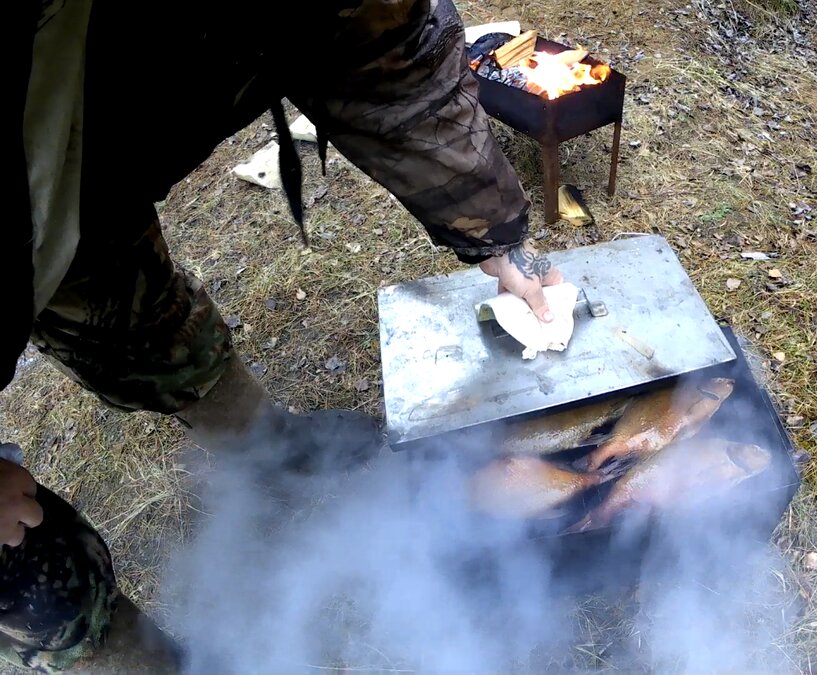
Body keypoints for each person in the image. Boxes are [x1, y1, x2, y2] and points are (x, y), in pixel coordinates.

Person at [4, 0, 565, 671]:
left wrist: (491, 232)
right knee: (29, 574)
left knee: (144, 325)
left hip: (91, 154)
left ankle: (267, 447)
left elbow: (393, 56)